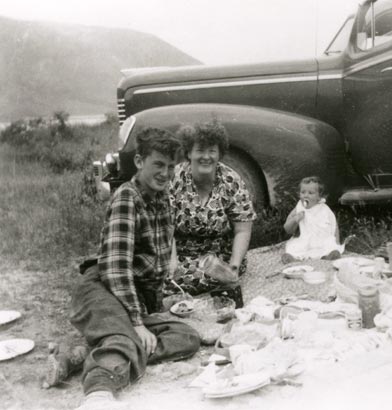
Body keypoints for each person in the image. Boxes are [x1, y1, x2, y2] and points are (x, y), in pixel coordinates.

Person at [48, 128, 201, 410]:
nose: (165, 173)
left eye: (170, 167)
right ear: (140, 161)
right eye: (158, 164)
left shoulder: (163, 200)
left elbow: (155, 267)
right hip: (101, 288)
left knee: (188, 337)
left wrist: (148, 312)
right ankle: (99, 393)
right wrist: (137, 323)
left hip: (129, 296)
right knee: (125, 338)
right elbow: (116, 269)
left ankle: (84, 351)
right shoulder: (126, 198)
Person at [166, 122, 256, 296]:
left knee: (222, 273)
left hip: (220, 258)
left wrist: (234, 266)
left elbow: (243, 229)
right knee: (166, 274)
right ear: (189, 153)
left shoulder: (231, 180)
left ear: (219, 154)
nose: (206, 157)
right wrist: (172, 261)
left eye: (212, 151)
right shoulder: (174, 178)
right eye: (200, 150)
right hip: (181, 255)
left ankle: (218, 281)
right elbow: (166, 224)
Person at [282, 176, 343, 263]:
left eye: (310, 193)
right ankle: (293, 258)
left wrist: (337, 243)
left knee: (330, 245)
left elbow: (334, 226)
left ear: (319, 197)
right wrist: (295, 219)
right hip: (306, 240)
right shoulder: (299, 207)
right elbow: (287, 228)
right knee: (294, 247)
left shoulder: (324, 209)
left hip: (322, 239)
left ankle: (329, 256)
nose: (305, 195)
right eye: (303, 192)